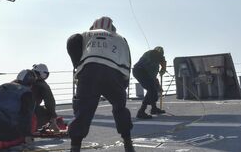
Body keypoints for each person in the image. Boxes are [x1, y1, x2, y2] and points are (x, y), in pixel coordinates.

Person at [66, 16, 135, 152]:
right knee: (120, 108)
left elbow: (72, 40)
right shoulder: (120, 38)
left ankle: (75, 147)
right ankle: (128, 143)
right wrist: (123, 85)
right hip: (114, 73)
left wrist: (77, 66)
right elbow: (127, 59)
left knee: (82, 110)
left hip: (89, 71)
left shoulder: (85, 34)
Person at [0, 69, 36, 148]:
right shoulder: (26, 93)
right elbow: (25, 115)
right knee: (16, 136)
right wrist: (27, 134)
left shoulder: (6, 85)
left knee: (6, 126)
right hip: (3, 119)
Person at [132, 46, 166, 119]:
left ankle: (154, 109)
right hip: (140, 71)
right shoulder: (154, 54)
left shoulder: (153, 60)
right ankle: (141, 112)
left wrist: (157, 84)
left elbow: (152, 76)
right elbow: (158, 57)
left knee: (152, 89)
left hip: (140, 71)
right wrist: (163, 67)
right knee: (151, 90)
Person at [31, 63, 61, 132]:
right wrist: (53, 117)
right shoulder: (41, 84)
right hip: (28, 112)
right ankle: (33, 126)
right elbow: (50, 102)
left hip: (10, 113)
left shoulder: (22, 78)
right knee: (47, 113)